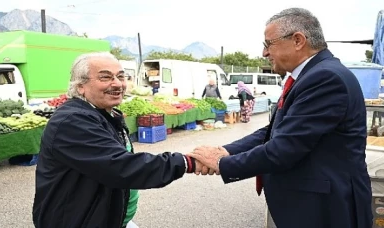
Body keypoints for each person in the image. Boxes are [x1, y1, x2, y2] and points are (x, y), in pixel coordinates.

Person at [189, 7, 372, 228]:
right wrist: (226, 151)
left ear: (297, 40)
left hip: (325, 211)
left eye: (268, 44)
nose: (265, 53)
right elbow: (274, 130)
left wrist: (221, 163)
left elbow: (284, 148)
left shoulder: (325, 78)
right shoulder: (309, 76)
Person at [32, 52, 202, 228]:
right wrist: (187, 162)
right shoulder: (72, 122)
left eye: (121, 76)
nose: (117, 83)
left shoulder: (105, 114)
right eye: (105, 77)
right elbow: (121, 166)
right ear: (80, 86)